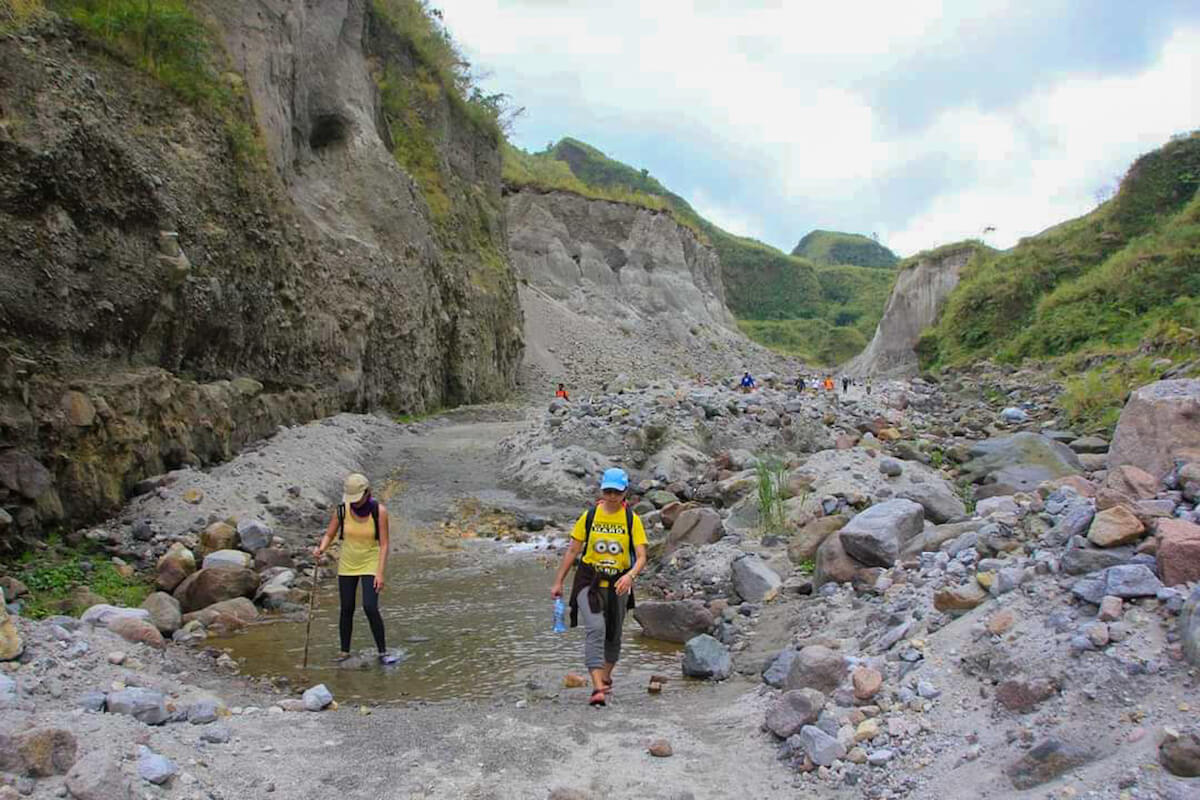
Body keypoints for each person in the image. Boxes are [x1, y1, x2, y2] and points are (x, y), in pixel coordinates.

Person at [550, 467, 647, 707]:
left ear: (625, 492)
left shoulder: (631, 520)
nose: (612, 496)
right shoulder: (589, 516)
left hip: (619, 585)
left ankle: (605, 676)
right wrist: (559, 581)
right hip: (588, 581)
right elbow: (573, 550)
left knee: (613, 634)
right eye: (608, 491)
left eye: (617, 492)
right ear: (601, 490)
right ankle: (596, 688)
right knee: (595, 629)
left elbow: (642, 556)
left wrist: (631, 576)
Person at [312, 473, 398, 664]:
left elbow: (384, 544)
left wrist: (380, 573)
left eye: (357, 499)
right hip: (348, 563)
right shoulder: (342, 511)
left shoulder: (379, 511)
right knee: (347, 608)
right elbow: (329, 534)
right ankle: (344, 651)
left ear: (367, 493)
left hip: (371, 562)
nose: (355, 503)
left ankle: (382, 652)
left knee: (370, 606)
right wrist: (321, 549)